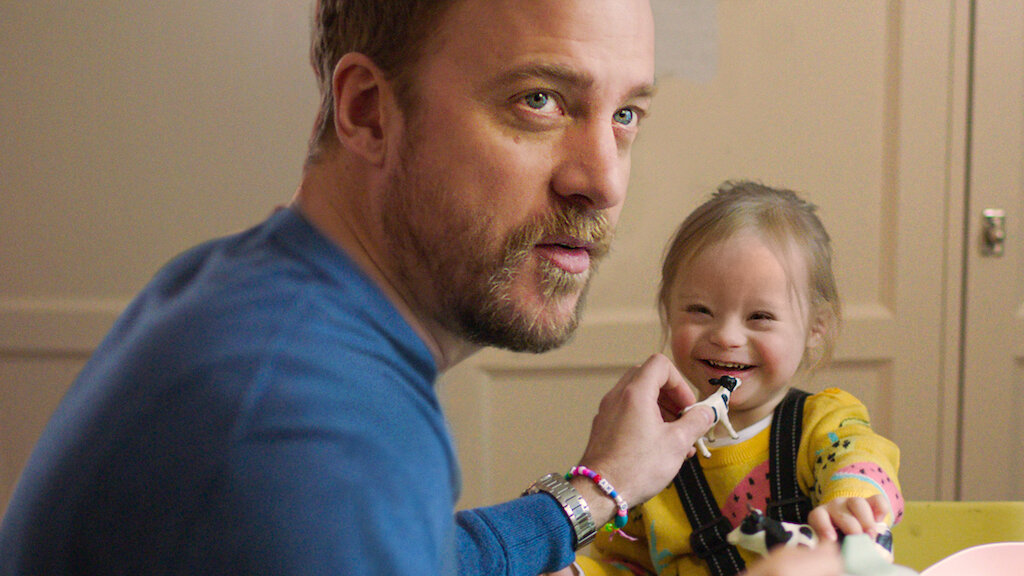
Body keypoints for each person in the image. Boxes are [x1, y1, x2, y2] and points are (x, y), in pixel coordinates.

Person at [0, 2, 843, 575]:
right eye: (540, 100)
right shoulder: (309, 428)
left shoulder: (256, 296)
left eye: (625, 115)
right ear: (369, 111)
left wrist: (600, 488)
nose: (604, 180)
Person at [563, 182, 903, 576]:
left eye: (760, 317)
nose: (726, 337)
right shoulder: (651, 451)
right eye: (700, 310)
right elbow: (625, 564)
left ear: (816, 328)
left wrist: (851, 503)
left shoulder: (822, 423)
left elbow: (862, 459)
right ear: (668, 311)